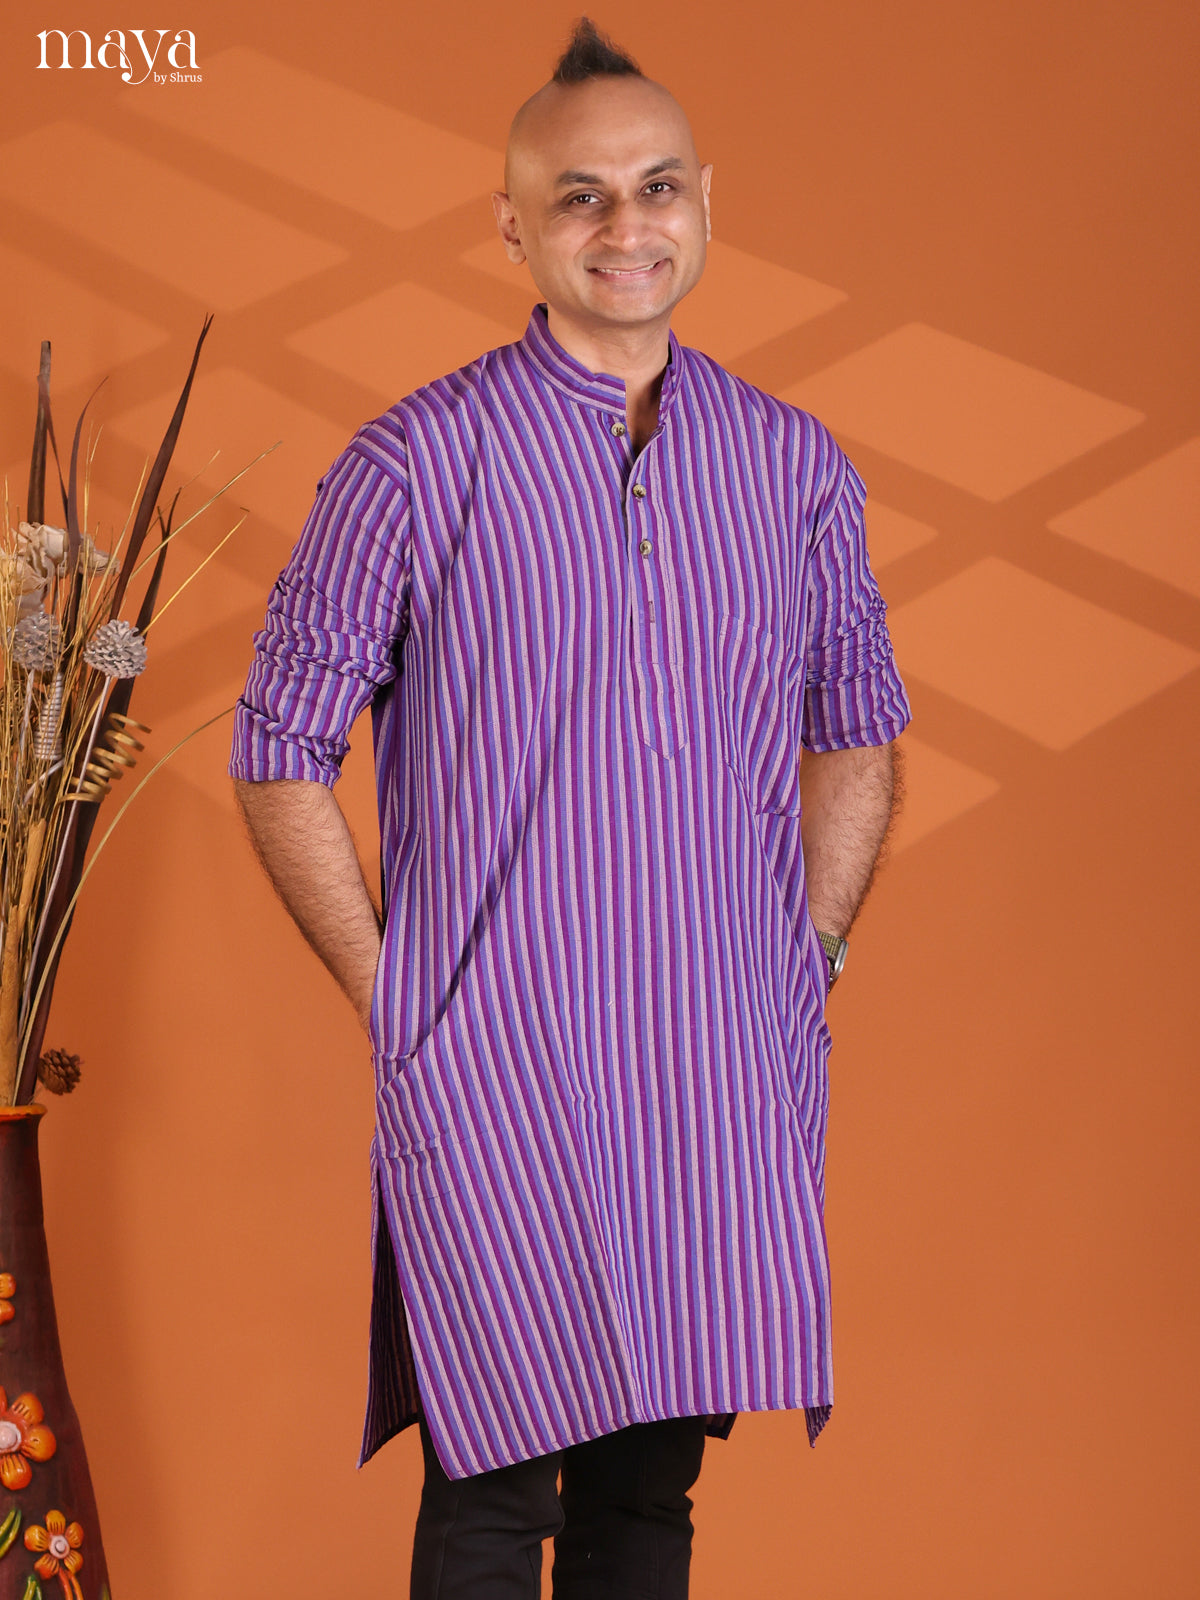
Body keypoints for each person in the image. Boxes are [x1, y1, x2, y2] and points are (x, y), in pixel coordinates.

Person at [229, 15, 911, 1598]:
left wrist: (806, 959)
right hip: (499, 1067)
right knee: (489, 1501)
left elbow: (861, 728)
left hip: (712, 1069)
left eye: (657, 187)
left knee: (646, 1506)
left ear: (708, 202)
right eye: (581, 196)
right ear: (513, 226)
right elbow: (277, 749)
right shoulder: (416, 463)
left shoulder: (791, 464)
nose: (627, 227)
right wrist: (392, 991)